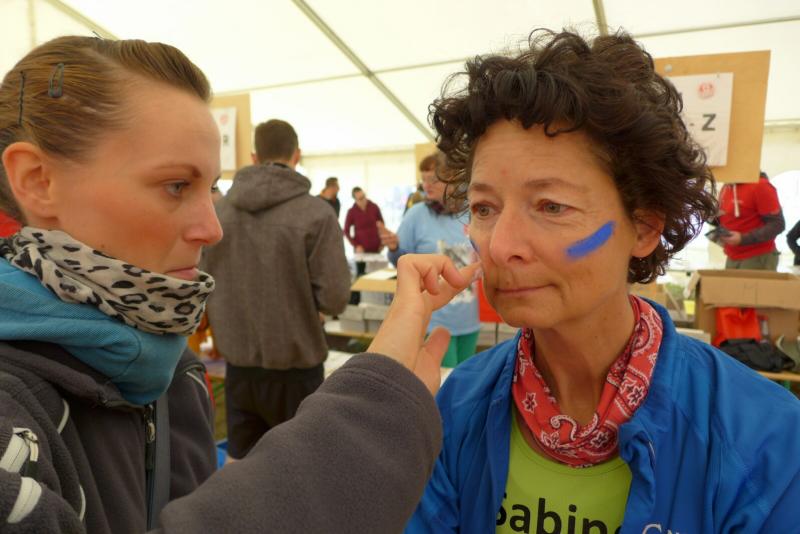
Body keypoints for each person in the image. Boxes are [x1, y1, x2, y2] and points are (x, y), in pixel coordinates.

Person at [0, 35, 461, 533]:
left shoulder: (172, 369)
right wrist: (376, 414)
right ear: (37, 180)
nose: (212, 227)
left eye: (211, 187)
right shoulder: (15, 412)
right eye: (176, 185)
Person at [403, 30, 800, 533]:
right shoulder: (456, 407)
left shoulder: (764, 442)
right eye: (484, 208)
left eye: (551, 206)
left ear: (644, 226)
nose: (500, 246)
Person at [201, 119, 352, 459]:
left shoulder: (218, 213)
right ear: (297, 155)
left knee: (245, 471)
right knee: (301, 468)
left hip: (238, 367)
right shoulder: (317, 214)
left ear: (254, 157)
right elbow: (335, 297)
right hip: (297, 369)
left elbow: (202, 282)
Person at [381, 153, 480, 368]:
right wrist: (394, 248)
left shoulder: (470, 212)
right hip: (434, 318)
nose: (426, 185)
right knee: (443, 382)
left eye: (433, 179)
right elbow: (401, 262)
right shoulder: (416, 215)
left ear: (453, 179)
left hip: (468, 318)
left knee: (465, 380)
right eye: (423, 179)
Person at [717, 171, 784, 270]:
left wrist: (743, 238)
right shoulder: (727, 186)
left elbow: (777, 224)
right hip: (732, 255)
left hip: (757, 257)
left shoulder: (761, 186)